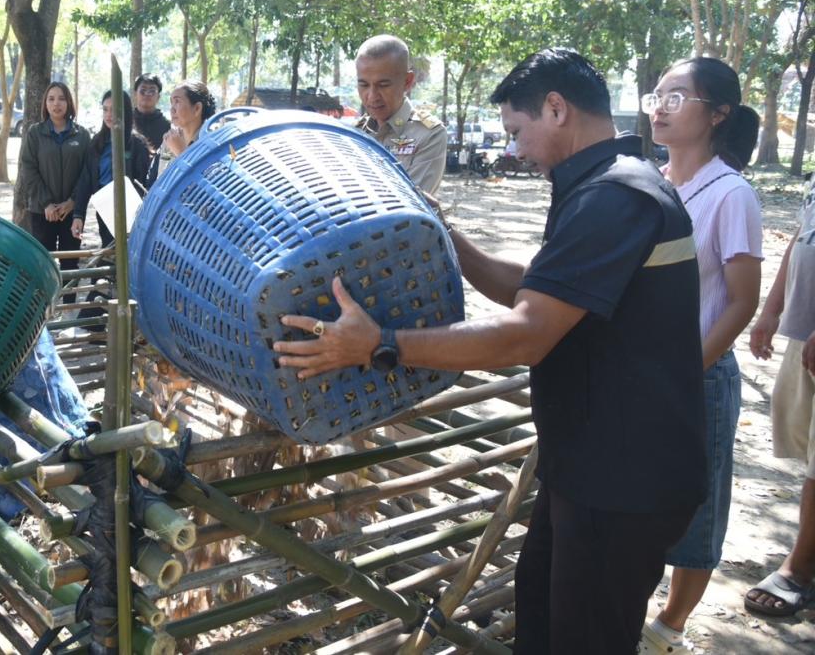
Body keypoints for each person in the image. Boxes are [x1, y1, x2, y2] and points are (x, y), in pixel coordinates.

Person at [275, 48, 707, 655]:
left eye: (516, 131)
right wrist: (448, 236)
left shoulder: (617, 197)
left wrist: (381, 345)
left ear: (556, 109)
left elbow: (526, 332)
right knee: (543, 618)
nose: (513, 149)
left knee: (584, 639)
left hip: (623, 476)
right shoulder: (605, 184)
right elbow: (542, 288)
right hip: (592, 461)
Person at [635, 58, 762, 654]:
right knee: (637, 498)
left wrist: (688, 371)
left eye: (677, 97)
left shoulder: (732, 194)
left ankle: (668, 629)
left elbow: (742, 301)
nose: (659, 108)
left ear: (718, 114)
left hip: (699, 377)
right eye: (656, 96)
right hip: (641, 374)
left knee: (698, 508)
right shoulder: (649, 182)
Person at [746, 164, 815, 617]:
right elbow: (802, 234)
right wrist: (772, 309)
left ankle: (800, 569)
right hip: (804, 332)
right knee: (809, 450)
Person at [353, 35, 447, 194]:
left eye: (383, 85)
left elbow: (411, 202)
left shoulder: (428, 134)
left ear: (407, 81)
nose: (372, 96)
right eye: (364, 85)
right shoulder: (354, 134)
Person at [19, 81, 91, 270]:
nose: (56, 103)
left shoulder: (82, 135)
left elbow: (87, 173)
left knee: (70, 263)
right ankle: (48, 293)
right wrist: (46, 203)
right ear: (45, 104)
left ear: (69, 103)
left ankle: (69, 292)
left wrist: (73, 202)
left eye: (61, 99)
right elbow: (29, 169)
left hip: (72, 213)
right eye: (51, 99)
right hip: (42, 212)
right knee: (43, 265)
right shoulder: (35, 133)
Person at [72, 90, 153, 246]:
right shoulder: (97, 142)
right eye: (105, 109)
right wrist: (78, 215)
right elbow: (86, 180)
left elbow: (143, 183)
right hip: (104, 208)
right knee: (109, 251)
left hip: (130, 212)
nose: (109, 115)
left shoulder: (137, 144)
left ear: (125, 112)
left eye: (114, 110)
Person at [158, 81, 217, 177]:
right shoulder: (170, 139)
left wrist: (181, 152)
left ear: (197, 108)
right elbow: (160, 179)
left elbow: (210, 182)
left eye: (177, 101)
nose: (172, 109)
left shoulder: (212, 143)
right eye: (171, 103)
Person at [132, 73, 171, 162]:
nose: (147, 94)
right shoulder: (126, 122)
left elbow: (168, 157)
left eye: (152, 91)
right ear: (135, 94)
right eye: (143, 90)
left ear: (158, 97)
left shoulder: (167, 127)